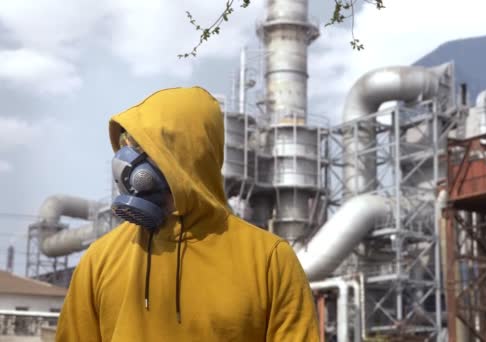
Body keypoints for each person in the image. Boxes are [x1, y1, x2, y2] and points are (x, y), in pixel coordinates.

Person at [56, 86, 320, 341]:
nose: (126, 158)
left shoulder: (269, 260)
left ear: (187, 154)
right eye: (126, 144)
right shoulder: (99, 260)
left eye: (140, 146)